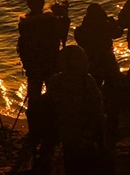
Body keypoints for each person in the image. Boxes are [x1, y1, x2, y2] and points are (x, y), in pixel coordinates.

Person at [45, 45, 105, 174]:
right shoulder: (87, 81)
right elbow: (97, 105)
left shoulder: (56, 80)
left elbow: (49, 103)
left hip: (64, 128)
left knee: (71, 159)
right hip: (84, 127)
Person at [17, 0, 70, 105]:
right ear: (42, 3)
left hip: (32, 65)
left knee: (33, 95)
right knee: (54, 95)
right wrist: (64, 16)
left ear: (28, 4)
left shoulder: (24, 24)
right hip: (50, 62)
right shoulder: (50, 21)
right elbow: (62, 34)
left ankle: (33, 114)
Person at [74, 4, 122, 86]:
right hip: (106, 59)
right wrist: (113, 23)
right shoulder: (105, 26)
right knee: (113, 81)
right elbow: (118, 33)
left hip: (89, 60)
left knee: (93, 82)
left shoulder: (81, 29)